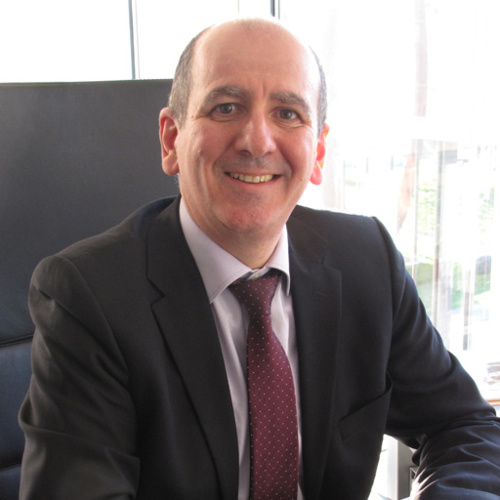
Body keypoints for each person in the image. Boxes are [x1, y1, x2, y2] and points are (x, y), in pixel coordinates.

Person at [19, 17, 500, 500]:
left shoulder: (367, 262)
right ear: (171, 140)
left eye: (288, 113)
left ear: (318, 152)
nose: (257, 141)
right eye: (226, 107)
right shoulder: (88, 296)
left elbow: (465, 426)